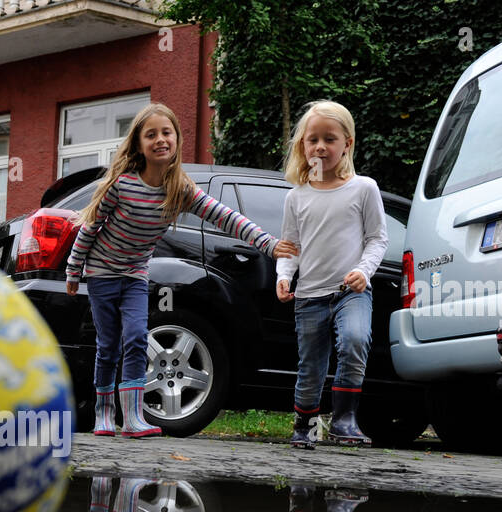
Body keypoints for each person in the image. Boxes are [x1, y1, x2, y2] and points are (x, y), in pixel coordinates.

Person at [66, 103, 298, 437]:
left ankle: (132, 417)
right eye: (151, 135)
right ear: (139, 144)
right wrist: (74, 271)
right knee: (108, 345)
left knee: (135, 338)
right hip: (102, 273)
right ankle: (104, 411)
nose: (160, 140)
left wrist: (268, 243)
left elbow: (225, 217)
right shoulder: (122, 185)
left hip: (134, 274)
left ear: (176, 138)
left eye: (166, 133)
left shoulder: (180, 190)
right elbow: (90, 228)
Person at [275, 101, 388, 449]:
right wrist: (283, 276)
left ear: (347, 144)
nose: (320, 146)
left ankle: (344, 420)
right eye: (313, 140)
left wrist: (363, 271)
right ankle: (304, 423)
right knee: (311, 365)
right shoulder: (296, 197)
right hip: (308, 296)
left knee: (355, 341)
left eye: (330, 138)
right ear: (302, 146)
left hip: (350, 292)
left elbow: (377, 238)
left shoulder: (364, 188)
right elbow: (290, 245)